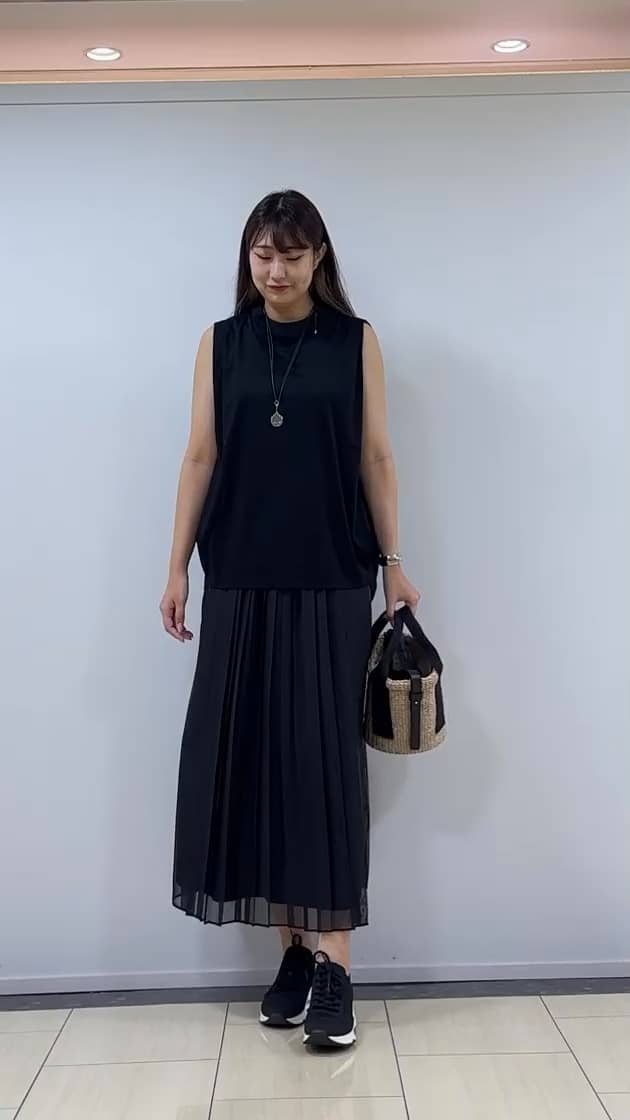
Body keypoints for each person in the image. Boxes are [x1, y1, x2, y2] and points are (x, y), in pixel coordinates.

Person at [160, 189, 420, 1049]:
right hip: (239, 574)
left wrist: (393, 563)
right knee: (257, 764)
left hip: (331, 576)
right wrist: (176, 568)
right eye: (263, 254)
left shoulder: (354, 340)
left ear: (319, 258)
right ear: (249, 257)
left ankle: (337, 965)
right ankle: (296, 957)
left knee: (321, 768)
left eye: (293, 255)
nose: (276, 270)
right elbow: (201, 455)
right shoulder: (220, 342)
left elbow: (375, 455)